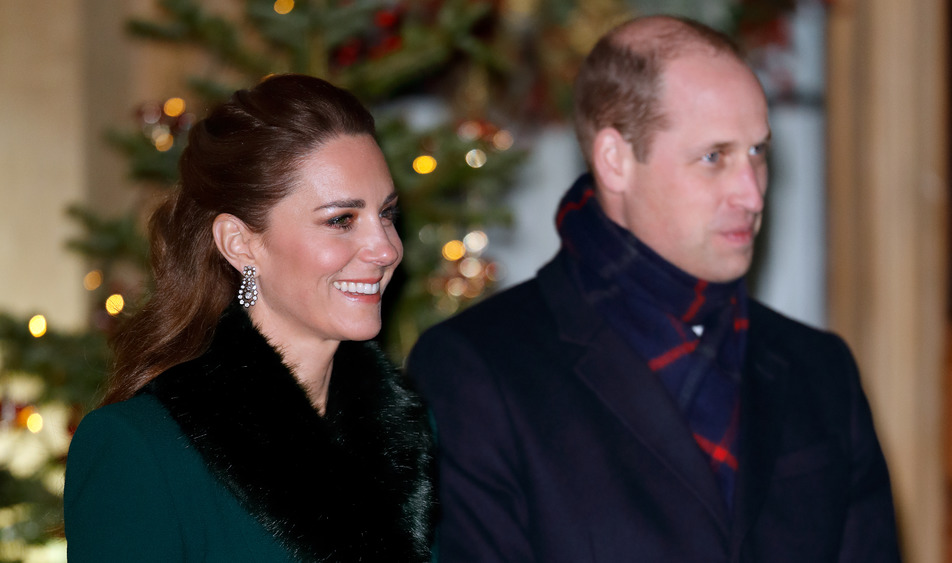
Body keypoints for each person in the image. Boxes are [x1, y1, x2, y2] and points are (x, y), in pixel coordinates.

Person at [406, 15, 900, 562]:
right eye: (715, 157)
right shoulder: (476, 371)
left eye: (758, 152)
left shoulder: (821, 370)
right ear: (616, 161)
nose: (752, 193)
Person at [64, 74, 435, 562]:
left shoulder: (407, 431)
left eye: (386, 214)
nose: (386, 248)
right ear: (239, 243)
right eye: (341, 220)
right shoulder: (138, 449)